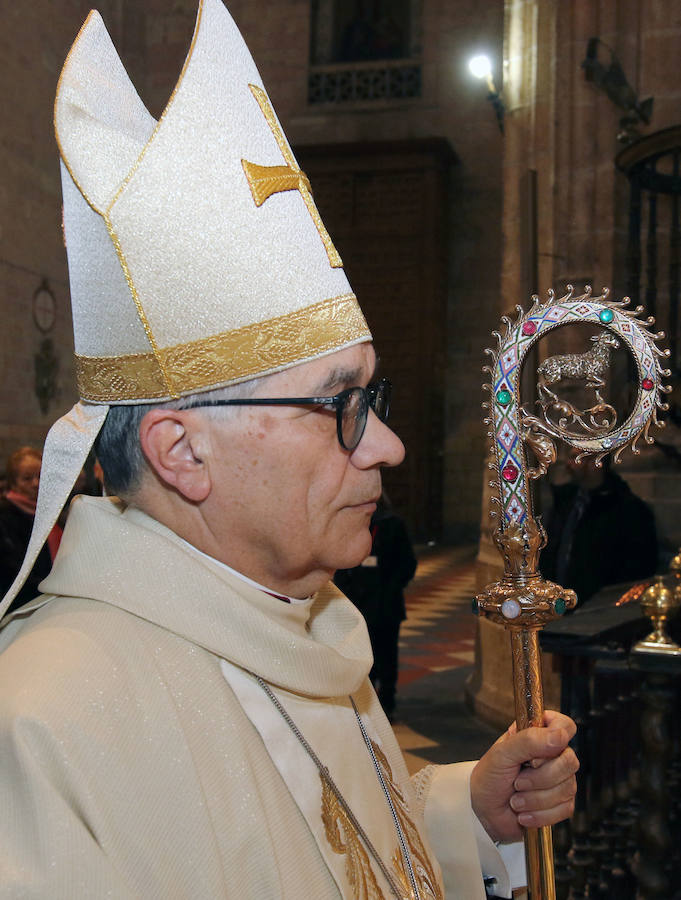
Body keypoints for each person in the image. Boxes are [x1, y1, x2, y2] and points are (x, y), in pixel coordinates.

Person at [0, 2, 577, 898]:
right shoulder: (42, 721)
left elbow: (321, 835)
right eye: (339, 403)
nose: (385, 444)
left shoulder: (302, 619)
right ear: (182, 450)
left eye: (371, 396)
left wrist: (468, 814)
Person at [334, 494, 416, 720]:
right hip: (358, 603)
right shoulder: (351, 524)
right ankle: (365, 705)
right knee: (361, 655)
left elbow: (407, 563)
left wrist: (391, 586)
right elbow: (340, 562)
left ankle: (387, 701)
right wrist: (347, 590)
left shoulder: (393, 525)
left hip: (386, 604)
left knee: (387, 655)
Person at [540, 450, 657, 603]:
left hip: (598, 609)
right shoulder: (566, 501)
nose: (569, 464)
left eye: (576, 458)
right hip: (560, 602)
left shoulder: (628, 510)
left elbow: (636, 567)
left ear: (596, 464)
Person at [0, 446, 61, 614]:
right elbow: (11, 567)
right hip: (21, 603)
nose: (36, 483)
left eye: (40, 476)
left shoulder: (53, 510)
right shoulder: (5, 514)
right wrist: (47, 588)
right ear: (14, 482)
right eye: (27, 479)